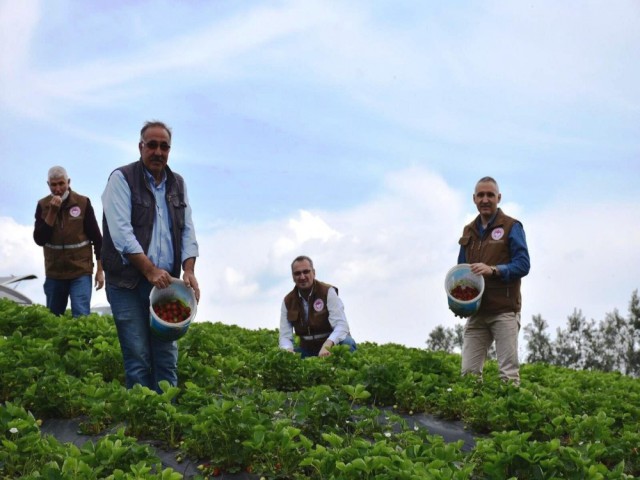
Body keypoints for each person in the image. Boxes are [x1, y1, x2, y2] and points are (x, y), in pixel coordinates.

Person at [101, 120, 200, 393]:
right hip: (127, 283)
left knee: (166, 358)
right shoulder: (121, 179)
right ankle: (142, 421)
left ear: (170, 150)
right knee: (138, 357)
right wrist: (149, 270)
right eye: (152, 145)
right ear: (140, 147)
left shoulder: (177, 184)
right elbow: (121, 232)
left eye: (164, 146)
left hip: (165, 284)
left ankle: (165, 417)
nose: (158, 151)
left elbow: (187, 229)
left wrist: (189, 270)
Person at [457, 176, 530, 384]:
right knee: (468, 375)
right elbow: (462, 271)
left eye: (490, 195)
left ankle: (507, 415)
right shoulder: (468, 231)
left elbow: (523, 264)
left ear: (499, 197)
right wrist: (460, 303)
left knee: (508, 374)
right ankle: (471, 413)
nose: (485, 199)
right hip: (477, 313)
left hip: (504, 311)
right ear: (474, 199)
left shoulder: (511, 227)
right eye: (481, 195)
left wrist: (494, 270)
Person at [33, 166, 104, 317]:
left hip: (80, 271)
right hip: (54, 273)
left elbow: (98, 239)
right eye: (53, 185)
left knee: (81, 315)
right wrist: (52, 212)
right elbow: (39, 239)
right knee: (53, 318)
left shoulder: (83, 203)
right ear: (48, 185)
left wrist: (99, 270)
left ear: (68, 182)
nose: (58, 188)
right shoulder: (43, 206)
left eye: (61, 183)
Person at [279, 255, 356, 358]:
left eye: (306, 272)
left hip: (331, 345)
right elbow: (285, 336)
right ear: (293, 277)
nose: (302, 277)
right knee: (282, 356)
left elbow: (341, 325)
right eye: (297, 273)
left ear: (313, 273)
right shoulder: (288, 301)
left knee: (347, 342)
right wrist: (288, 350)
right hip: (307, 348)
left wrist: (328, 344)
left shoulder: (328, 292)